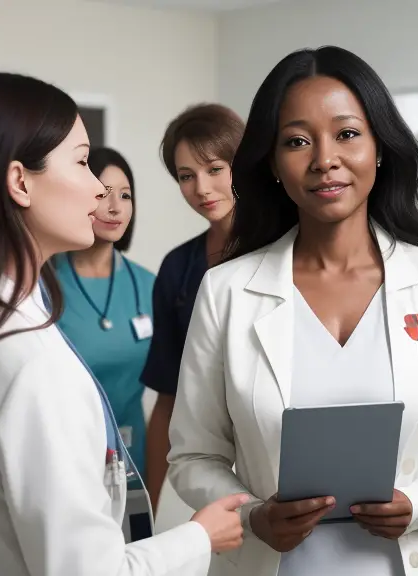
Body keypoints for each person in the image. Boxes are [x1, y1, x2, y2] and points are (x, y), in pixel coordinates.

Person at [167, 46, 418, 576]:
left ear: (380, 147)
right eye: (297, 141)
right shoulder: (227, 291)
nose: (324, 158)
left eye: (347, 134)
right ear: (273, 163)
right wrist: (256, 515)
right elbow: (193, 457)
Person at [0, 71, 248, 576]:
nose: (100, 192)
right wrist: (199, 536)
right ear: (20, 181)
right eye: (84, 163)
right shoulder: (35, 368)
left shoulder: (16, 326)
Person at [141, 103, 245, 510]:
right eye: (187, 176)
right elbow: (168, 400)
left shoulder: (288, 252)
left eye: (215, 169)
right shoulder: (178, 268)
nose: (201, 188)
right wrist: (148, 507)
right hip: (204, 468)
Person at [53, 148, 153, 493]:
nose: (115, 207)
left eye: (125, 196)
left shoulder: (148, 285)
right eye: (102, 194)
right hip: (65, 460)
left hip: (133, 458)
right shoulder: (43, 284)